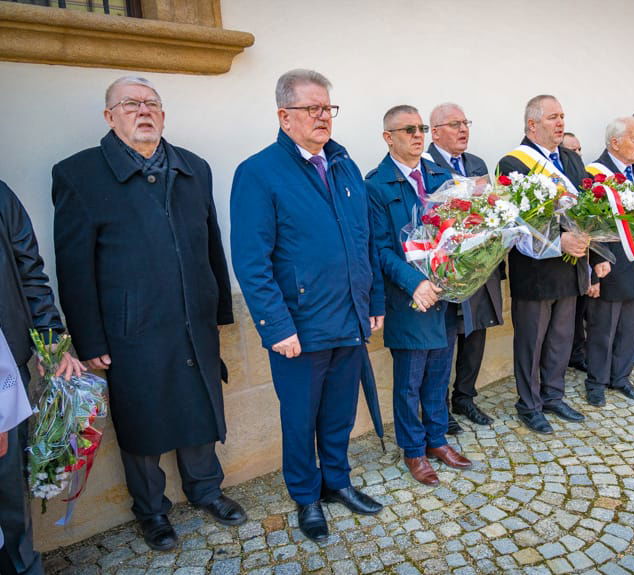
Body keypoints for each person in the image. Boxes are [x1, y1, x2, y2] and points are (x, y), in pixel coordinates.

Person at [52, 76, 245, 552]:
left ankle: (205, 490)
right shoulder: (78, 174)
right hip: (129, 327)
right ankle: (152, 512)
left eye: (152, 103)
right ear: (109, 116)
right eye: (130, 104)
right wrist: (90, 341)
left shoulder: (193, 167)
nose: (143, 111)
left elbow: (210, 243)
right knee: (142, 422)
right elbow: (73, 266)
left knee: (200, 405)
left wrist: (219, 306)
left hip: (190, 317)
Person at [231, 70, 385, 541]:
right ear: (284, 116)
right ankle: (305, 496)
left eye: (328, 109)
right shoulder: (258, 173)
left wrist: (373, 299)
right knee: (300, 419)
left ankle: (337, 481)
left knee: (339, 413)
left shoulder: (344, 166)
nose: (323, 117)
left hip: (348, 318)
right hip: (298, 327)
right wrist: (276, 326)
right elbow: (251, 262)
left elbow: (366, 242)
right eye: (312, 109)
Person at [366, 105, 473, 487]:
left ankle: (437, 440)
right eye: (407, 129)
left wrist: (461, 267)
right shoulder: (376, 185)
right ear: (388, 137)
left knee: (439, 374)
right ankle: (413, 450)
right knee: (410, 380)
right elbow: (380, 249)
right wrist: (416, 282)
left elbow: (459, 229)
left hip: (445, 293)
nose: (417, 135)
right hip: (409, 298)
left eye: (421, 128)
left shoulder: (441, 175)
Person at [497, 94, 599, 434]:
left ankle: (554, 395)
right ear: (532, 124)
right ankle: (529, 403)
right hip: (536, 270)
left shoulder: (571, 160)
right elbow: (517, 221)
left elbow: (586, 208)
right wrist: (558, 241)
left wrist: (586, 239)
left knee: (561, 337)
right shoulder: (513, 163)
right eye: (553, 117)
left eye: (562, 116)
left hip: (571, 266)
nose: (560, 123)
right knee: (532, 340)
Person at [0, 180, 85, 575]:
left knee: (8, 495)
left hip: (4, 368)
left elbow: (28, 270)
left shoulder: (0, 195)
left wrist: (51, 341)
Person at [426, 103, 500, 433]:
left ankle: (465, 396)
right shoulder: (427, 166)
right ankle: (439, 405)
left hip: (480, 266)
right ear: (436, 131)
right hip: (447, 269)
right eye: (454, 124)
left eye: (465, 122)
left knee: (476, 332)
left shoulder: (477, 163)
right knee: (445, 338)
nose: (463, 129)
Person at [582, 117, 634, 407]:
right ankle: (596, 381)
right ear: (615, 142)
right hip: (609, 263)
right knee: (602, 328)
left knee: (631, 327)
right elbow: (587, 222)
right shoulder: (595, 174)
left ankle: (621, 377)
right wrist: (595, 268)